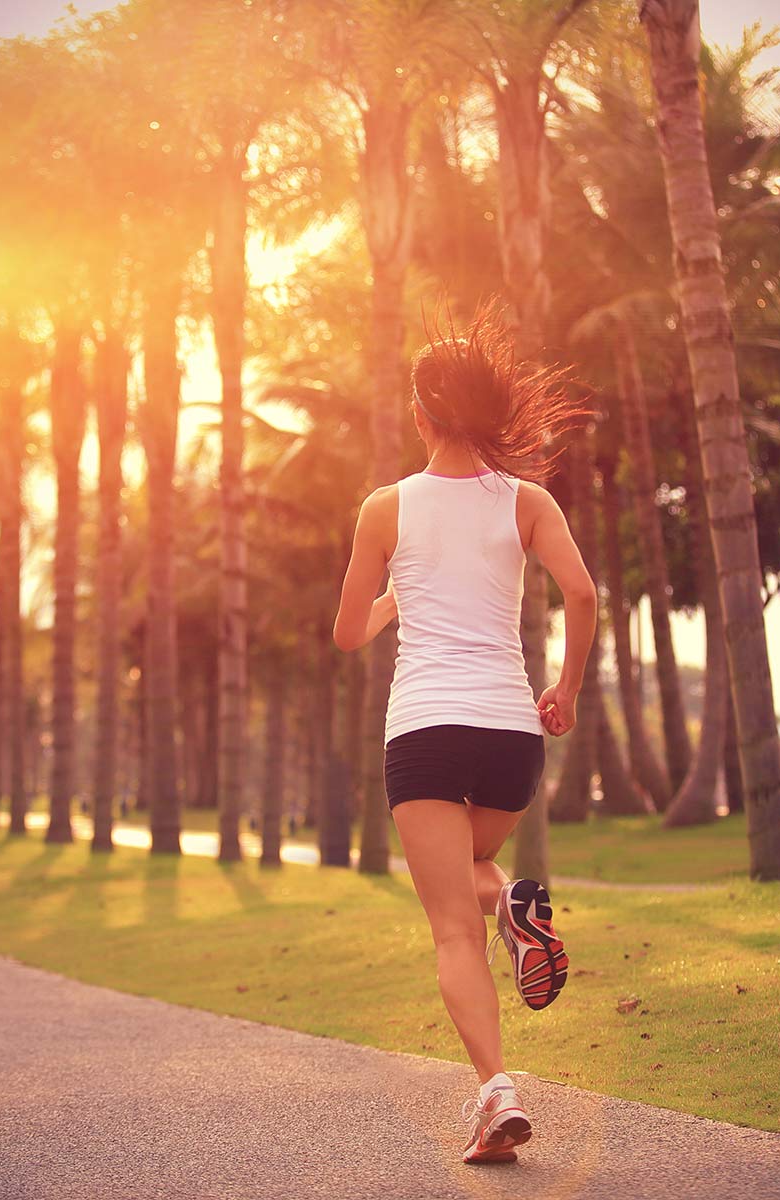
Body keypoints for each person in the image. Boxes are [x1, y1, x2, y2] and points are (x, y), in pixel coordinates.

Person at [332, 303, 597, 1165]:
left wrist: (398, 593)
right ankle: (512, 903)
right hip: (512, 733)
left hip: (426, 730)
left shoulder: (385, 508)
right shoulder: (527, 501)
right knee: (470, 871)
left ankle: (496, 1093)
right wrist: (565, 689)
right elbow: (583, 594)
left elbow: (347, 633)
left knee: (451, 925)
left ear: (420, 414)